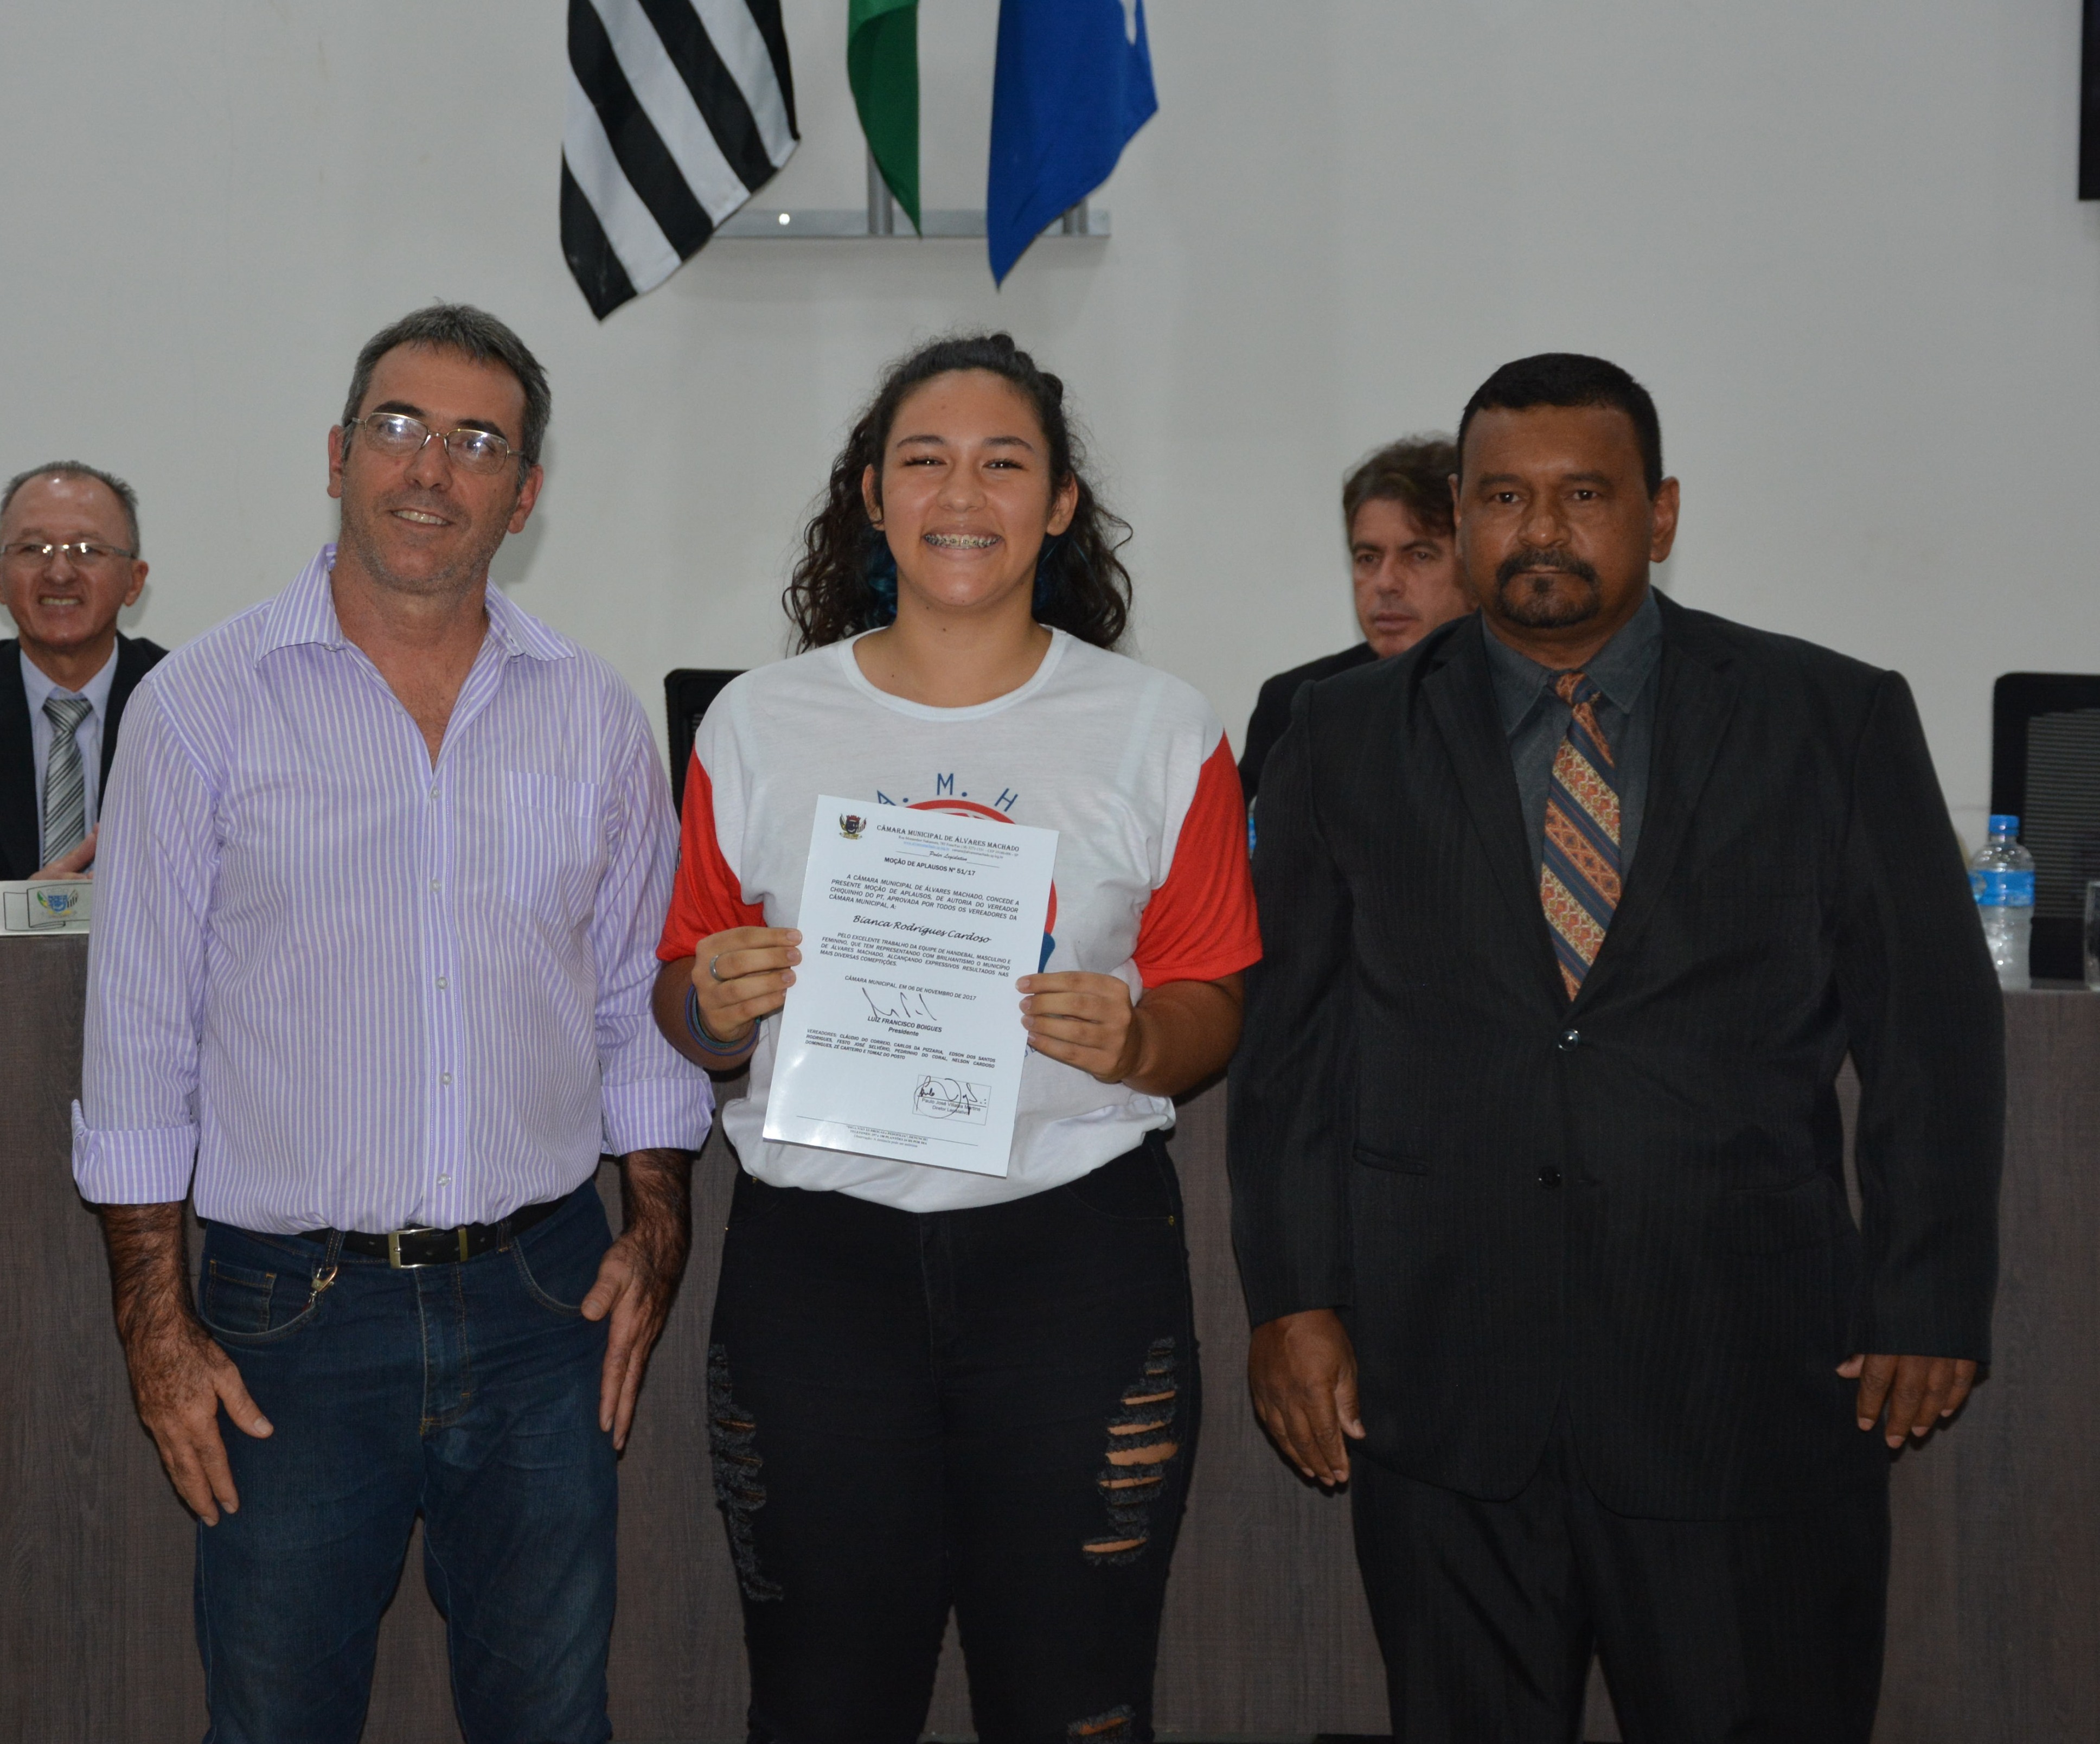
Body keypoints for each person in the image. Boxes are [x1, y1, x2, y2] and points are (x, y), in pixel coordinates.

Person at [1228, 352, 2002, 1742]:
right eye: (1503, 498)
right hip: (1445, 1394)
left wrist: (1928, 1296)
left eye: (1583, 495)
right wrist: (1290, 1297)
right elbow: (1289, 1052)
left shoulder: (1829, 716)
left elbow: (1931, 1033)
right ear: (1461, 516)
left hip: (1743, 1385)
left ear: (1662, 512)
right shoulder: (1340, 734)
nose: (1541, 530)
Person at [73, 304, 710, 1744]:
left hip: (544, 1304)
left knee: (552, 1718)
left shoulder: (593, 715)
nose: (432, 469)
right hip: (288, 1319)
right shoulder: (200, 706)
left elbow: (634, 1002)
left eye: (479, 442)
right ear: (338, 454)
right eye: (400, 428)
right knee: (275, 1719)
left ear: (524, 495)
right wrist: (155, 1326)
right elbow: (139, 1042)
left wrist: (657, 1223)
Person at [652, 331, 1260, 1744]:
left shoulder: (1161, 728)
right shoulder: (756, 722)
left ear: (1060, 502)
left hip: (1075, 1262)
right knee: (816, 1703)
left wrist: (1135, 1038)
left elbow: (1212, 1003)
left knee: (1076, 1700)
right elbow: (684, 1000)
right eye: (924, 460)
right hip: (816, 1268)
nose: (962, 494)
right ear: (874, 494)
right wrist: (712, 1003)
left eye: (1005, 462)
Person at [1238, 435, 1471, 809]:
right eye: (1368, 558)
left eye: (1419, 555)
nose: (1386, 582)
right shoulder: (1294, 706)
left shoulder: (1515, 698)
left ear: (1473, 566)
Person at [0, 462, 164, 879]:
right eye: (32, 549)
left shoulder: (190, 702)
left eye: (88, 550)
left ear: (134, 581)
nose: (59, 573)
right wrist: (19, 910)